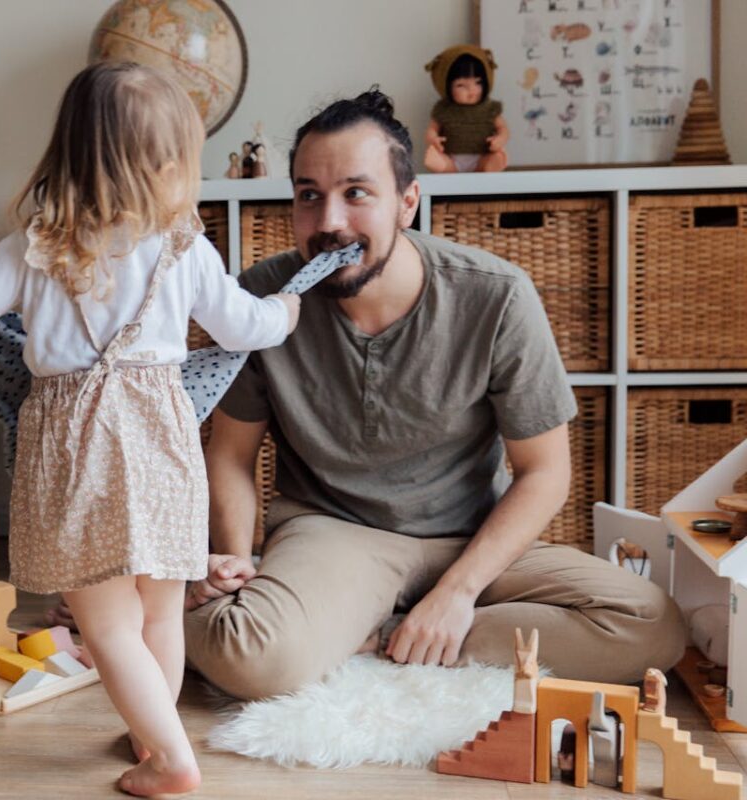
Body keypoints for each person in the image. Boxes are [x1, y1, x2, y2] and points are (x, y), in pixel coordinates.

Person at [0, 61, 299, 797]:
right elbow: (244, 324)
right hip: (162, 441)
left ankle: (167, 758)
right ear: (166, 165)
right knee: (159, 612)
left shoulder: (38, 246)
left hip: (76, 449)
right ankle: (154, 731)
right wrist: (287, 308)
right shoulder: (185, 246)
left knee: (105, 624)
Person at [181, 87, 685, 700]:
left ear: (407, 204)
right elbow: (230, 456)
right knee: (247, 653)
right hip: (332, 534)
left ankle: (385, 637)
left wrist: (457, 594)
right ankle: (335, 630)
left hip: (470, 539)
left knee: (654, 624)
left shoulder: (496, 296)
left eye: (356, 193)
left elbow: (545, 472)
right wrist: (236, 569)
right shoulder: (261, 299)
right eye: (309, 196)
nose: (330, 222)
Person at [424, 45, 509, 172]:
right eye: (461, 85)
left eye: (478, 83)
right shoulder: (443, 109)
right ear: (445, 86)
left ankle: (489, 166)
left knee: (494, 158)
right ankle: (445, 166)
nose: (472, 91)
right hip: (452, 158)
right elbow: (432, 129)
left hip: (482, 157)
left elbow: (503, 129)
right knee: (438, 159)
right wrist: (433, 139)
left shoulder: (490, 108)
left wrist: (500, 139)